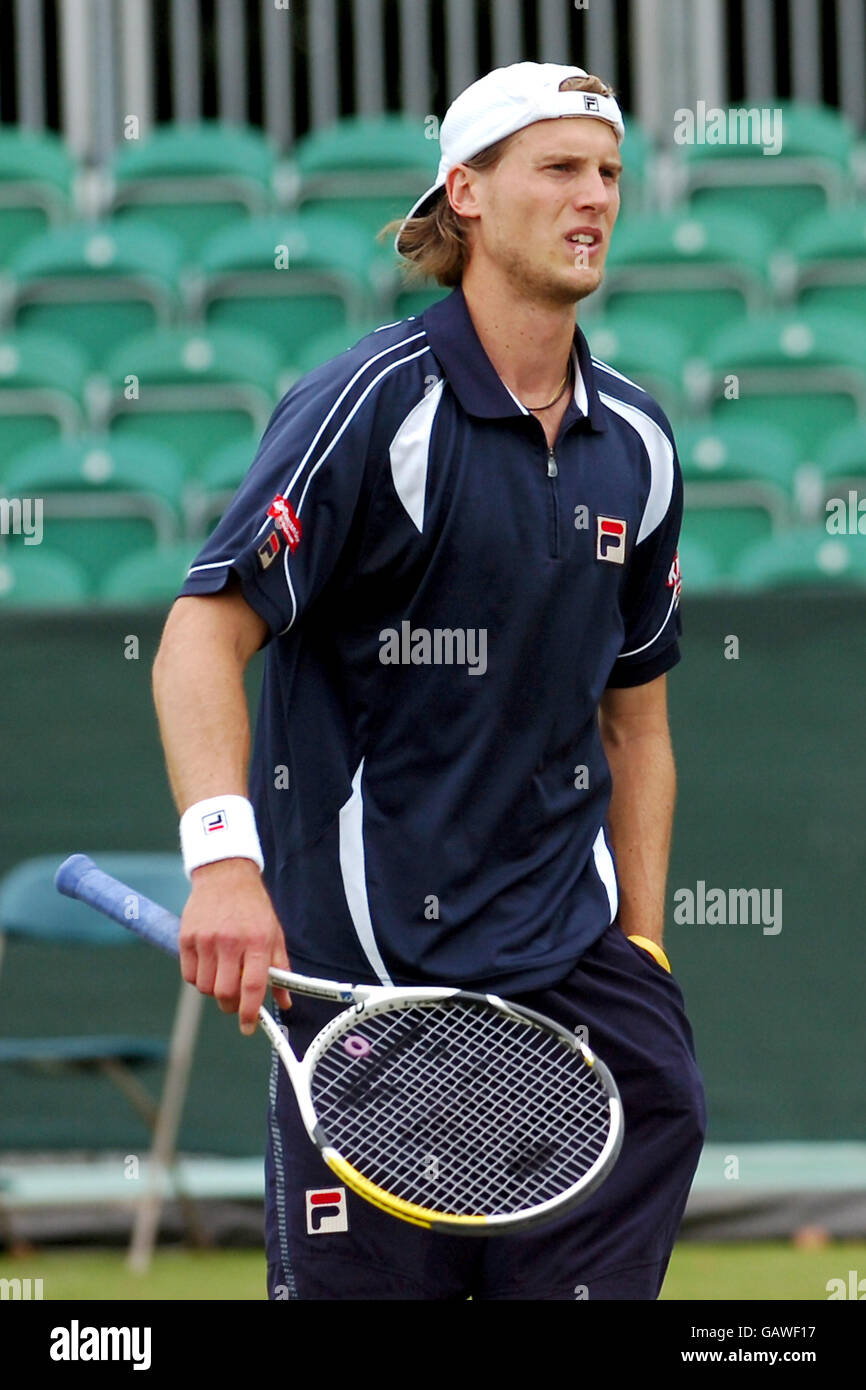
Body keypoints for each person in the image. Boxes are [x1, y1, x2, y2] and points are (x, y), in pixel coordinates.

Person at [152, 62, 706, 1301]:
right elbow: (200, 633)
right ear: (465, 191)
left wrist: (647, 947)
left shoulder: (643, 443)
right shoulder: (365, 403)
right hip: (366, 991)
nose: (594, 198)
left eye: (608, 172)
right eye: (558, 168)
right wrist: (224, 863)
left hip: (574, 996)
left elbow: (637, 723)